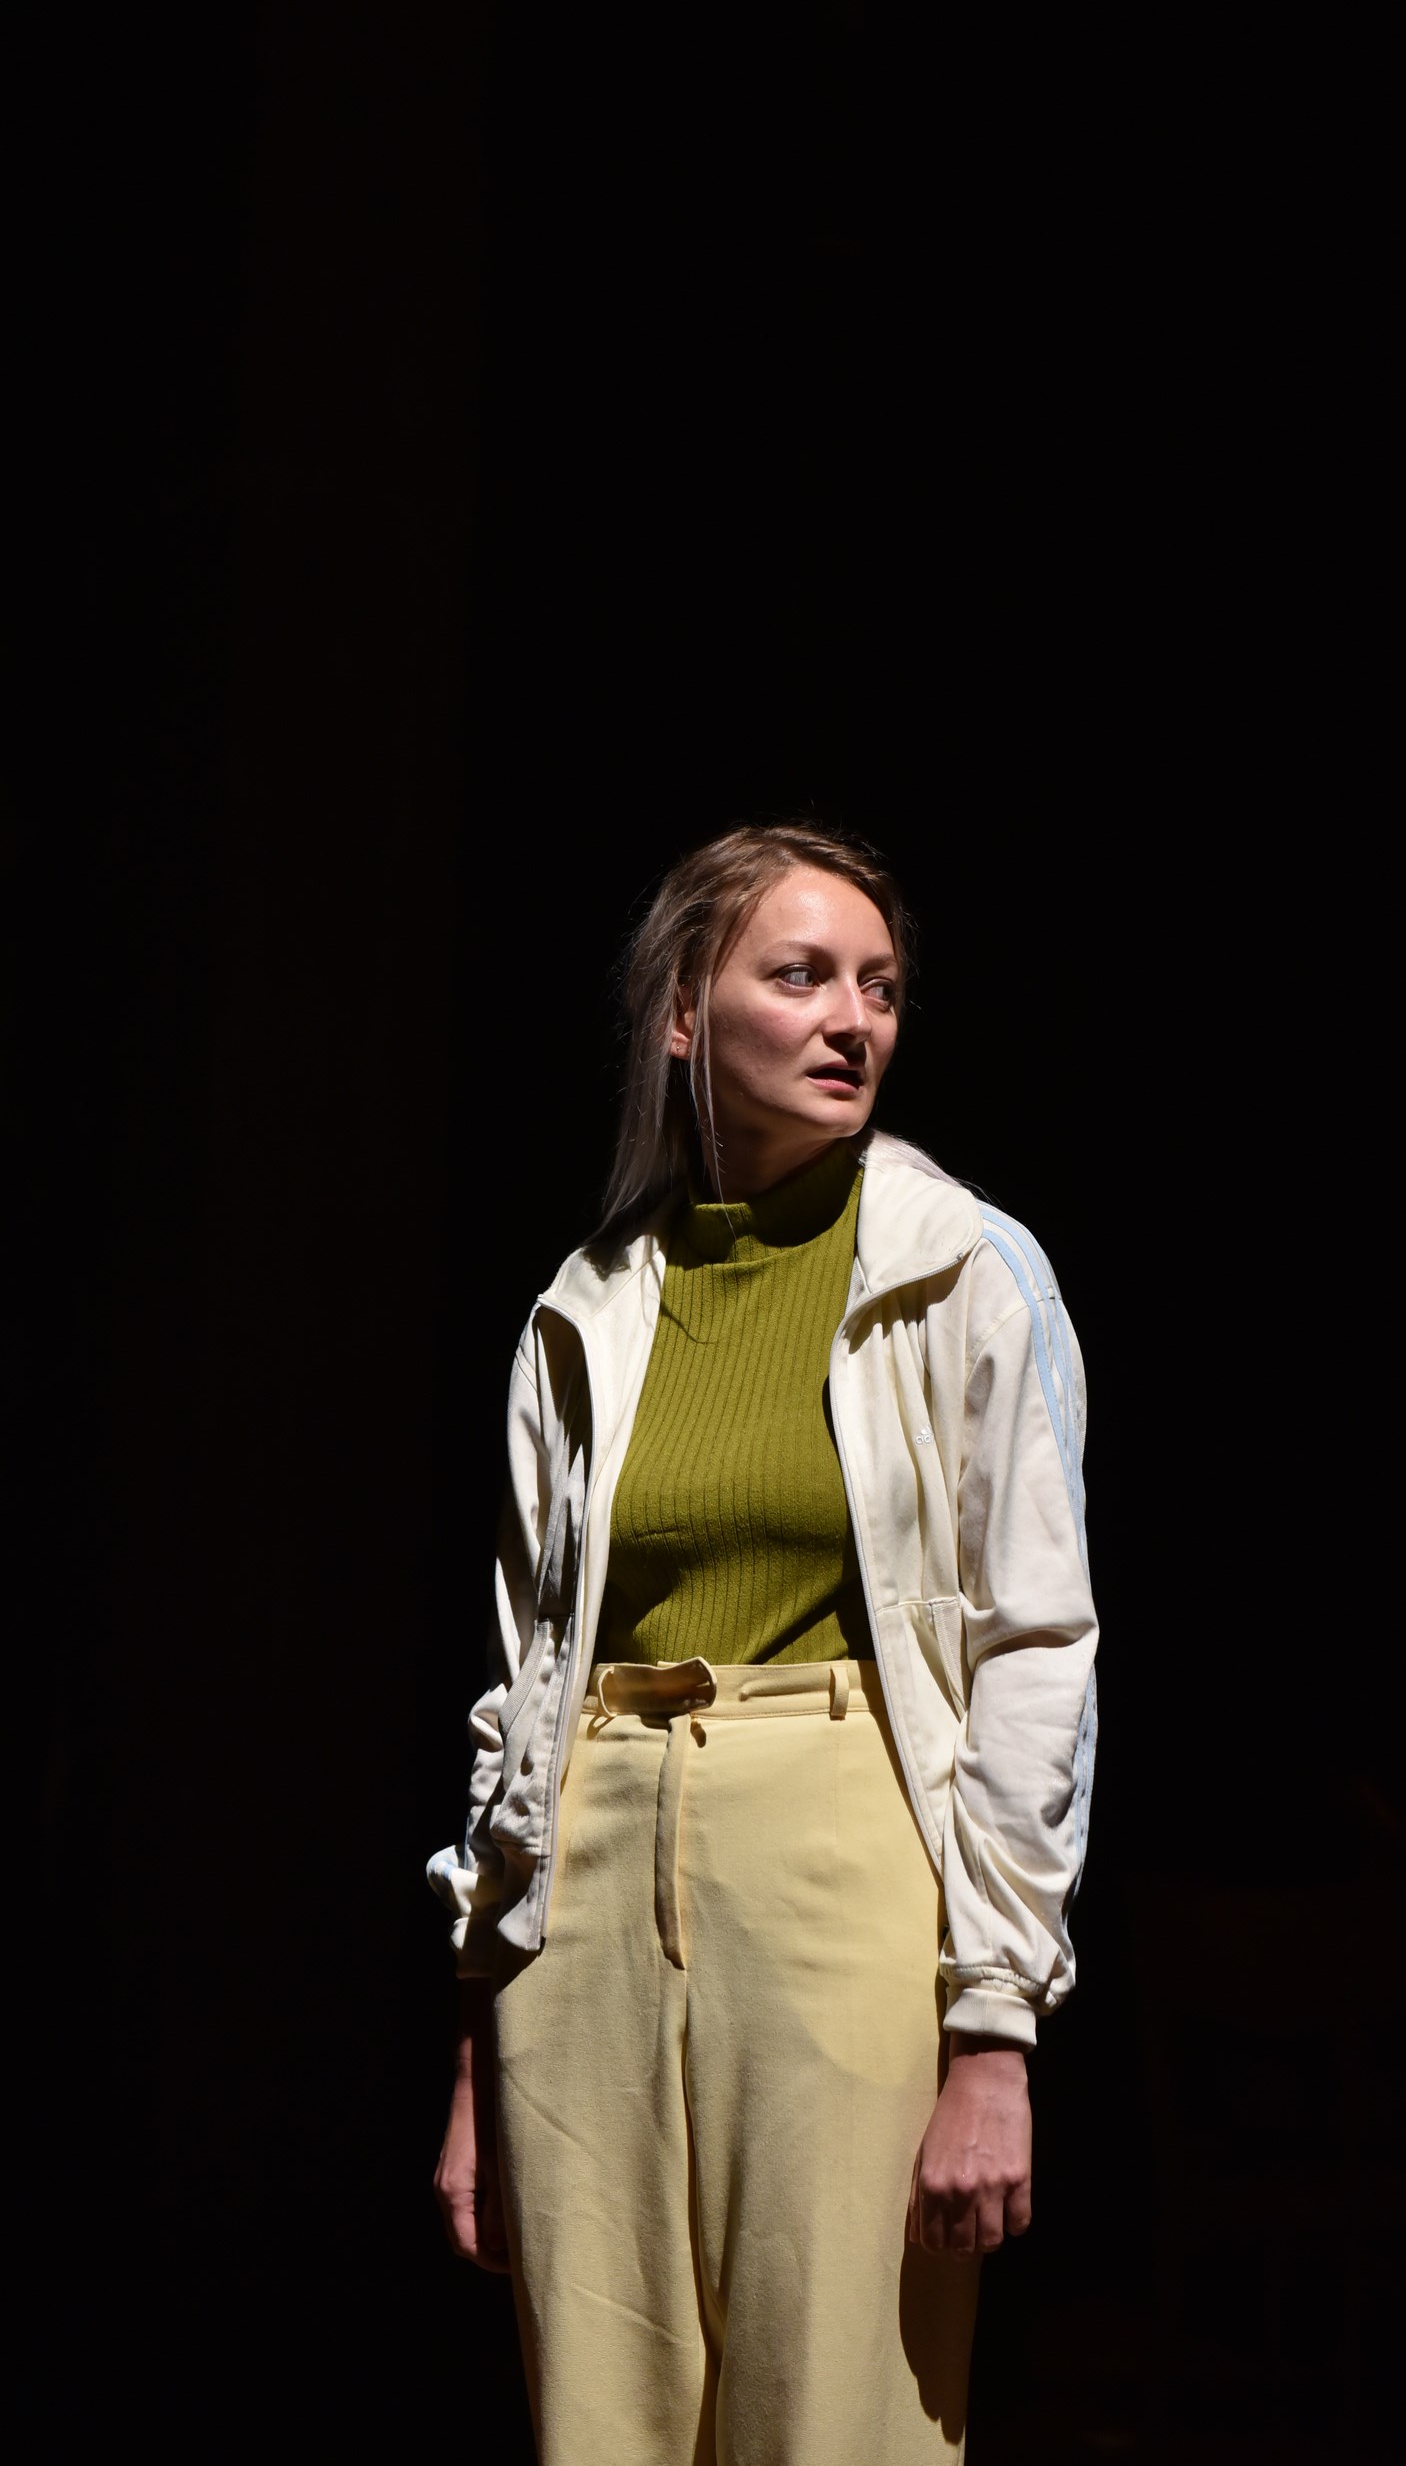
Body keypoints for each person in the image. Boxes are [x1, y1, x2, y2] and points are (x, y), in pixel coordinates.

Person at [428, 824, 1098, 2465]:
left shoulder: (961, 1270)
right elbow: (525, 1680)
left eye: (878, 986)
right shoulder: (586, 1308)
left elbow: (1033, 1647)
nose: (850, 1019)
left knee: (834, 2418)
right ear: (681, 1011)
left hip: (836, 1857)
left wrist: (993, 2030)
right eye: (799, 977)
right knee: (600, 2425)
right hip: (583, 1895)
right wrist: (476, 2036)